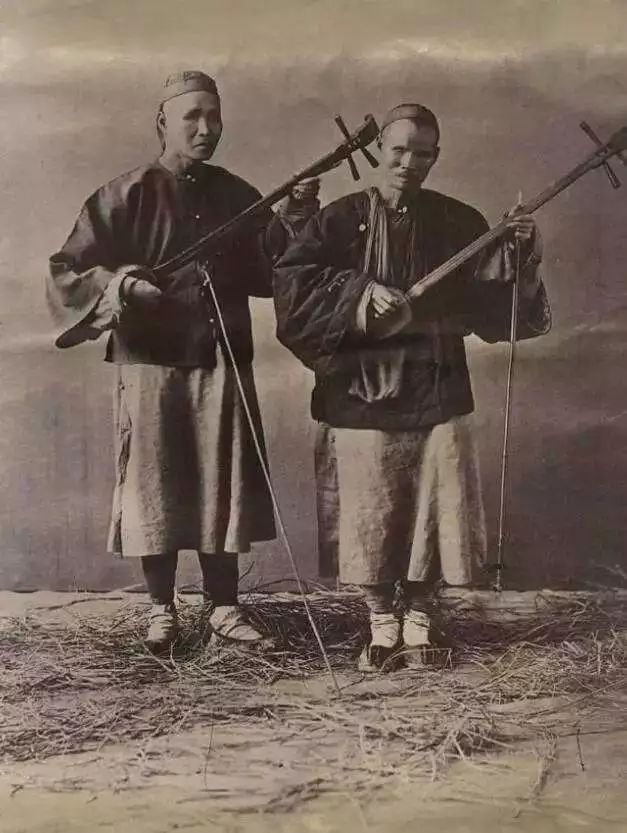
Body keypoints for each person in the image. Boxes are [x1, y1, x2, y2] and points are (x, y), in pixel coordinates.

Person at [273, 103, 551, 671]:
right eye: (398, 150)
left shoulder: (458, 221)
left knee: (433, 503)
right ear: (380, 150)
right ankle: (380, 621)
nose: (408, 163)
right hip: (358, 387)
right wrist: (357, 292)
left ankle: (420, 619)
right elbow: (293, 288)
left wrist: (517, 250)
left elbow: (494, 303)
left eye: (422, 154)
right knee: (370, 506)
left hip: (435, 381)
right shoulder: (337, 220)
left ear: (435, 157)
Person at [47, 71, 277, 652]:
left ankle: (224, 608)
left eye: (214, 116)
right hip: (150, 361)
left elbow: (276, 273)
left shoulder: (240, 196)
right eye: (192, 116)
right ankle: (161, 611)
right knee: (156, 484)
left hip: (221, 354)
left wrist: (296, 220)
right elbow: (67, 271)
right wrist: (123, 286)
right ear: (163, 122)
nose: (206, 128)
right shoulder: (125, 194)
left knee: (219, 480)